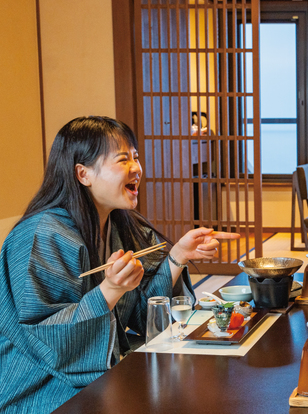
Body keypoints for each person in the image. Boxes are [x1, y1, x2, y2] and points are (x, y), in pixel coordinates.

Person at [0, 116, 240, 413]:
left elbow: (145, 317)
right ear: (83, 173)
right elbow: (45, 337)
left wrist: (178, 255)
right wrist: (110, 291)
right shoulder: (43, 234)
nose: (137, 168)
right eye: (123, 159)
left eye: (136, 158)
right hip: (42, 386)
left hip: (103, 368)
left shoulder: (122, 224)